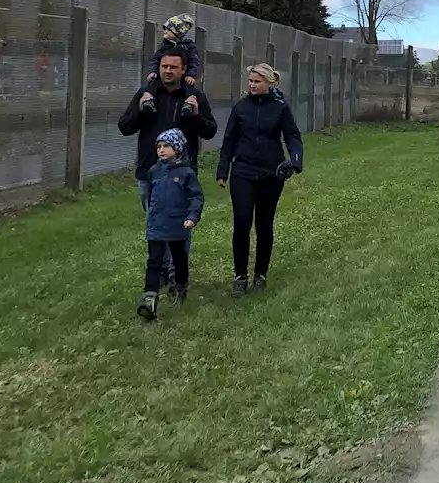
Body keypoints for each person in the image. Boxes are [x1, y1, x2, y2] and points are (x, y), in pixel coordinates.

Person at [119, 44, 218, 292]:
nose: (168, 71)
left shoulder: (195, 96)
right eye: (164, 66)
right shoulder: (146, 93)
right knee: (156, 222)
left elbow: (210, 131)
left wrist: (195, 115)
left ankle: (177, 274)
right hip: (149, 172)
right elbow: (125, 127)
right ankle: (161, 270)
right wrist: (141, 111)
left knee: (179, 223)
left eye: (174, 67)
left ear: (184, 70)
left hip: (182, 174)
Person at [218, 63, 304, 296]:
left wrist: (295, 161)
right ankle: (240, 277)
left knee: (264, 225)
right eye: (250, 81)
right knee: (242, 222)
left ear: (269, 83)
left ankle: (260, 275)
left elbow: (292, 136)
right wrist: (222, 170)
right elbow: (229, 140)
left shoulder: (280, 108)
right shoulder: (240, 108)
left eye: (257, 81)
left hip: (271, 174)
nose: (252, 85)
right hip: (243, 172)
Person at [137, 129, 204, 321]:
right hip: (156, 226)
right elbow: (151, 196)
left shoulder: (186, 173)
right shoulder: (154, 172)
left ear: (178, 148)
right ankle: (150, 298)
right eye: (159, 147)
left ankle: (180, 285)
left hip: (178, 226)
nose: (161, 150)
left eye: (166, 146)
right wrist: (152, 216)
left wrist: (192, 217)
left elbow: (196, 197)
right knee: (154, 261)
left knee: (179, 259)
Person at [142, 14, 202, 107]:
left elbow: (194, 62)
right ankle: (148, 99)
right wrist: (153, 71)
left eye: (168, 29)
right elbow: (155, 59)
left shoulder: (189, 46)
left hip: (183, 76)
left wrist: (191, 74)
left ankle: (189, 104)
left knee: (188, 85)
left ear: (177, 32)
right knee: (153, 82)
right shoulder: (164, 46)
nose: (164, 31)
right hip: (163, 78)